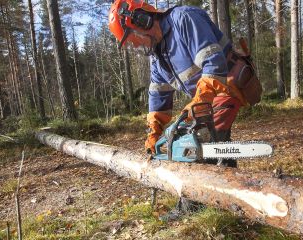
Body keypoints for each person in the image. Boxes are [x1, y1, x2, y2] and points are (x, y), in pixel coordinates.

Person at [108, 0, 260, 220]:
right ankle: (232, 192)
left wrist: (199, 103)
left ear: (141, 20)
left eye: (134, 39)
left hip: (226, 84)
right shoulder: (158, 56)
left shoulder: (184, 19)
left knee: (193, 140)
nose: (137, 46)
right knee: (213, 144)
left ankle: (192, 203)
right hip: (208, 94)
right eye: (131, 44)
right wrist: (155, 130)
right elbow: (158, 94)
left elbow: (213, 62)